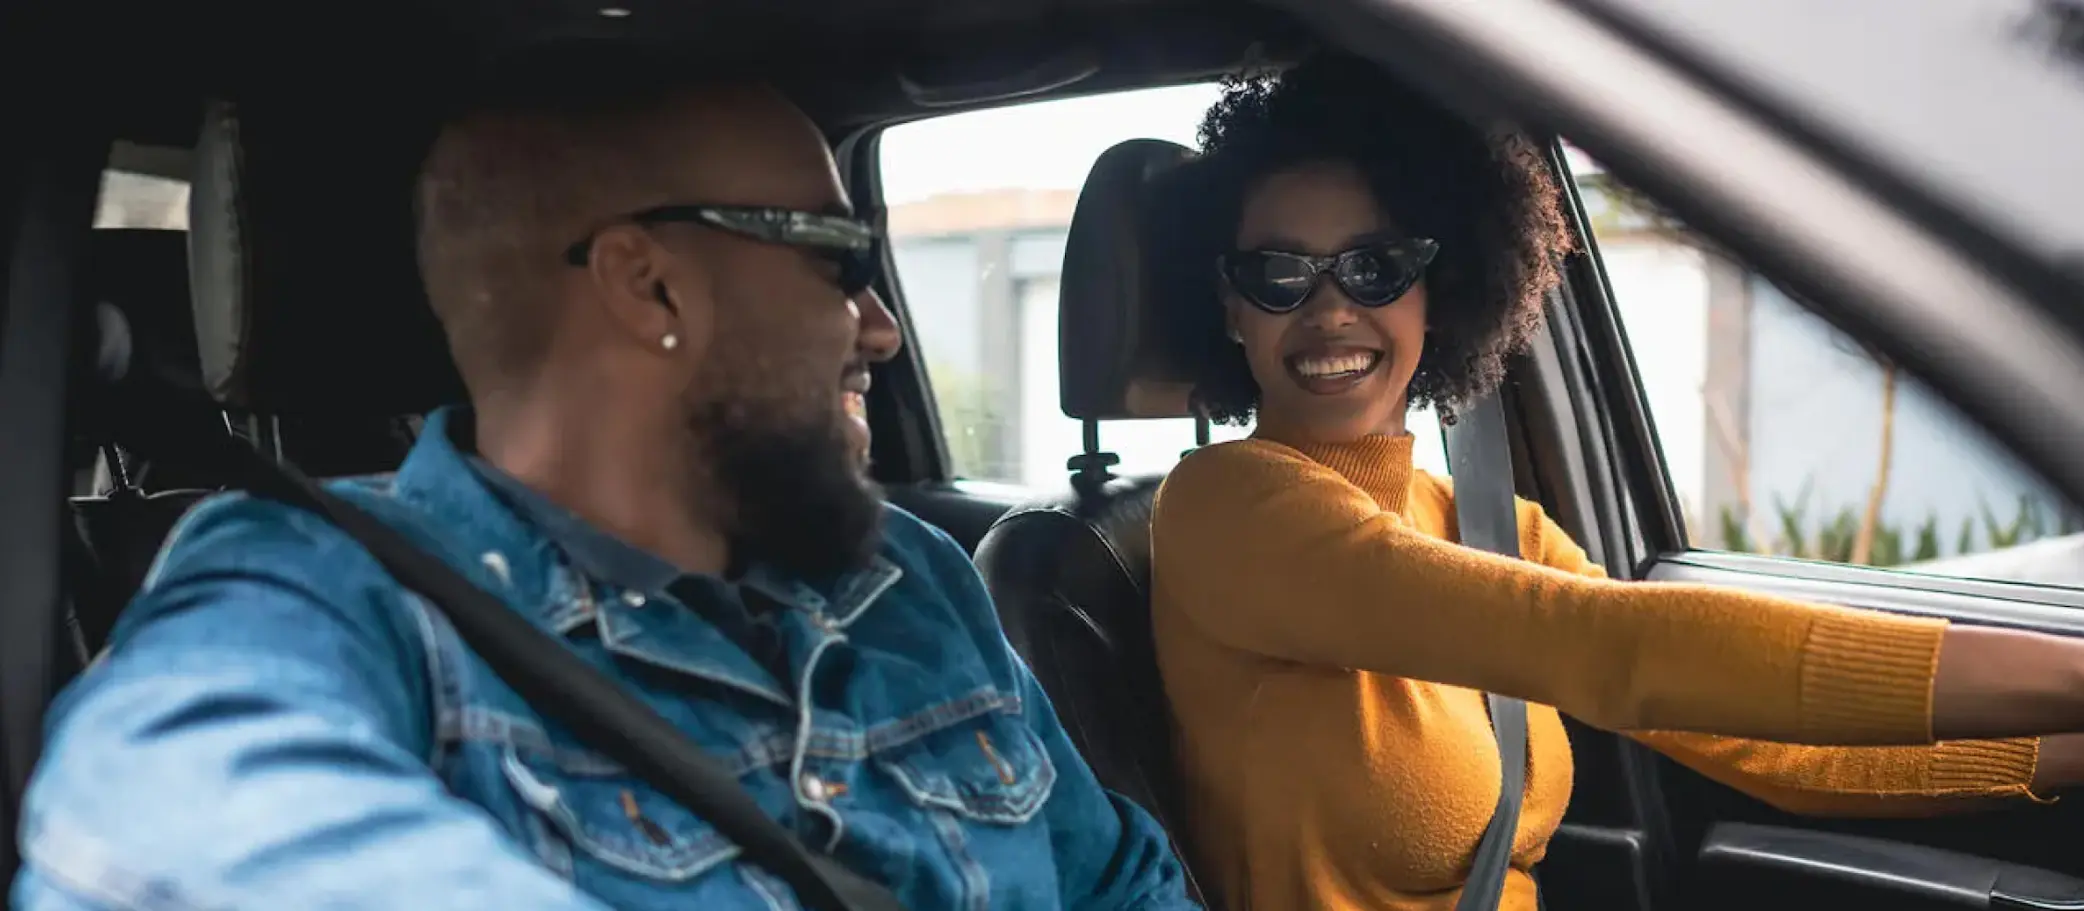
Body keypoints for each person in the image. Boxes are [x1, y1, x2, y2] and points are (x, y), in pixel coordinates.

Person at [12, 64, 1198, 910]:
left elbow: (1122, 885)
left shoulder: (913, 577)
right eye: (840, 263)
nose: (880, 326)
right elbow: (151, 835)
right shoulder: (319, 587)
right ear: (652, 287)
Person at [1148, 52, 2084, 911]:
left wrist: (2079, 747)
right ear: (1229, 307)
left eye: (1374, 268)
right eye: (1279, 274)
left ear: (1440, 289)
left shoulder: (1484, 526)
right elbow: (1611, 648)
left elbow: (1766, 746)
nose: (1329, 311)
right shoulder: (1226, 510)